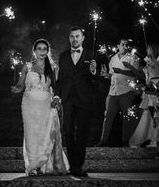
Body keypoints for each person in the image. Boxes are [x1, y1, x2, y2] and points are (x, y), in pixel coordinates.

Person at [12, 39, 68, 175]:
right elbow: (20, 85)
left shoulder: (53, 67)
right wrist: (16, 88)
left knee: (44, 134)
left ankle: (41, 165)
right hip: (29, 105)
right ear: (34, 51)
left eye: (44, 49)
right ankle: (32, 165)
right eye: (39, 48)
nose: (42, 51)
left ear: (48, 51)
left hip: (45, 105)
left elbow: (56, 88)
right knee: (31, 134)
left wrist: (56, 98)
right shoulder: (27, 67)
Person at [55, 26, 101, 177]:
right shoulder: (63, 56)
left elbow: (96, 79)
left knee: (82, 132)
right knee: (68, 131)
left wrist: (94, 71)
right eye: (72, 36)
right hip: (67, 98)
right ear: (69, 39)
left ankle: (77, 166)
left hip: (84, 99)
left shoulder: (92, 54)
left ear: (82, 38)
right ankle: (72, 163)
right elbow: (60, 78)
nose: (74, 39)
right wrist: (56, 95)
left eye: (77, 36)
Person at [94, 38, 139, 147]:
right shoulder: (113, 58)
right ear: (118, 45)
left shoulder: (133, 57)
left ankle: (126, 141)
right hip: (112, 92)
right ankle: (103, 140)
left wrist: (121, 71)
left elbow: (136, 74)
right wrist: (107, 75)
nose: (124, 46)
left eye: (126, 44)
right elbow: (112, 75)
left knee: (127, 117)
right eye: (122, 44)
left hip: (126, 91)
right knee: (107, 116)